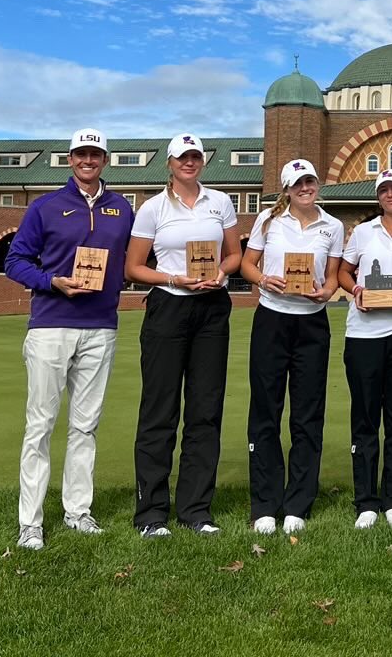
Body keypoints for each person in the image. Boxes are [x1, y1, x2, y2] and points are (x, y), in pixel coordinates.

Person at [5, 128, 134, 550]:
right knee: (39, 425)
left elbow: (135, 260)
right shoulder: (45, 207)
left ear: (105, 160)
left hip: (100, 327)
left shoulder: (123, 210)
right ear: (69, 159)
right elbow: (15, 260)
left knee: (85, 426)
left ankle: (78, 511)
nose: (88, 160)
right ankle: (31, 523)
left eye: (95, 154)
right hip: (51, 325)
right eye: (81, 153)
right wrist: (51, 282)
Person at [124, 134, 242, 538]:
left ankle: (196, 510)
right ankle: (151, 514)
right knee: (160, 410)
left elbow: (234, 254)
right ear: (170, 163)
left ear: (202, 161)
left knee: (205, 410)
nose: (189, 163)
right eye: (182, 158)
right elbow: (134, 268)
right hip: (168, 307)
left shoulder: (220, 202)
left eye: (195, 157)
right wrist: (175, 277)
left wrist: (222, 272)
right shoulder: (152, 208)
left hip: (211, 307)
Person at [241, 159, 344, 535]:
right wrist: (263, 279)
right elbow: (247, 265)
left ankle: (298, 502)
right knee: (266, 411)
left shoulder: (332, 226)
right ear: (286, 188)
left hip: (312, 323)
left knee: (307, 414)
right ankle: (266, 503)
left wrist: (328, 291)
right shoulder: (268, 219)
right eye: (298, 183)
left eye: (310, 181)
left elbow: (333, 278)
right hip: (272, 319)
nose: (305, 188)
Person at [337, 169, 392, 530]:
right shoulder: (362, 232)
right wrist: (355, 290)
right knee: (364, 419)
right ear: (378, 197)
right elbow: (345, 272)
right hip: (362, 336)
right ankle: (366, 502)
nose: (391, 195)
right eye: (384, 190)